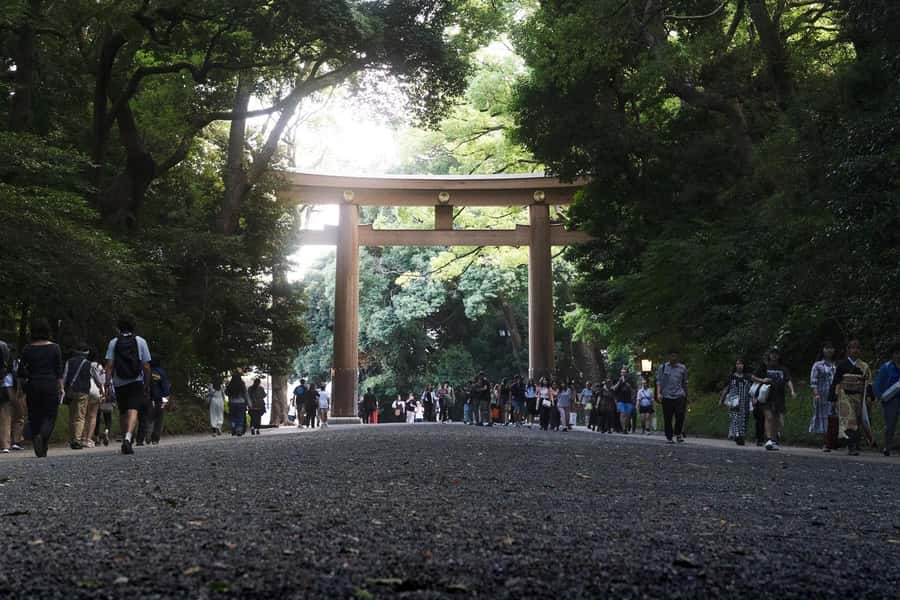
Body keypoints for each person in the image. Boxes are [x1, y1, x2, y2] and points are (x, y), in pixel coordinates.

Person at [105, 315, 152, 455]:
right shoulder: (140, 341)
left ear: (119, 328)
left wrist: (107, 383)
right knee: (134, 410)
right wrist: (147, 383)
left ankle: (125, 436)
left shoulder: (114, 342)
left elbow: (109, 365)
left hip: (119, 382)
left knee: (123, 411)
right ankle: (128, 437)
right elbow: (146, 366)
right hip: (136, 381)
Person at [16, 319, 64, 458]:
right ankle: (42, 437)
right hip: (49, 383)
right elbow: (58, 370)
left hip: (33, 384)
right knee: (50, 415)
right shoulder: (55, 348)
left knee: (34, 414)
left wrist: (20, 389)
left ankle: (39, 439)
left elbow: (21, 372)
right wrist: (61, 387)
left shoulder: (27, 349)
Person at [829, 338, 871, 456]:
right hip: (845, 396)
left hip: (859, 396)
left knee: (858, 420)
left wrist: (869, 397)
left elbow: (868, 383)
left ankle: (856, 443)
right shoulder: (842, 365)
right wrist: (834, 398)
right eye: (852, 347)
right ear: (848, 350)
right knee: (849, 421)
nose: (855, 350)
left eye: (857, 347)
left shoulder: (864, 366)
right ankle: (851, 446)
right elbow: (836, 382)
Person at [752, 347, 796, 451]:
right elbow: (753, 377)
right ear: (769, 355)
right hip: (766, 396)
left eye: (776, 354)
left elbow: (788, 380)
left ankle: (774, 439)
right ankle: (768, 439)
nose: (774, 355)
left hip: (779, 397)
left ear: (779, 356)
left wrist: (792, 391)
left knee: (776, 419)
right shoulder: (764, 367)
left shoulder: (783, 369)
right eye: (772, 353)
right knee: (769, 417)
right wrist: (763, 380)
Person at [63, 342, 101, 449]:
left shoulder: (69, 362)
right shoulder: (89, 364)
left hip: (70, 391)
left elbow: (65, 376)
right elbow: (97, 379)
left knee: (72, 415)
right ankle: (77, 439)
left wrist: (62, 389)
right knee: (80, 416)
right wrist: (101, 388)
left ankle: (71, 438)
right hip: (83, 391)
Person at [873, 340, 900, 456]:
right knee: (890, 425)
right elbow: (879, 383)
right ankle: (887, 447)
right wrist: (878, 397)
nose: (899, 355)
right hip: (890, 400)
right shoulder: (886, 367)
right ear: (892, 354)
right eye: (897, 353)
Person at [809, 342, 837, 450]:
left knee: (833, 417)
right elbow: (813, 381)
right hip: (821, 395)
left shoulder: (835, 365)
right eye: (827, 348)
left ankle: (833, 441)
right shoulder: (817, 365)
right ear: (823, 350)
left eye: (831, 348)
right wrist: (816, 394)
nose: (829, 350)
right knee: (823, 418)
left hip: (834, 394)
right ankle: (825, 442)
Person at [656, 351, 688, 444]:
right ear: (668, 356)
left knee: (680, 415)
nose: (673, 358)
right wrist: (658, 393)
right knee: (668, 417)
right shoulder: (663, 368)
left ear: (677, 357)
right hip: (666, 396)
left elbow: (685, 382)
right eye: (671, 356)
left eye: (675, 356)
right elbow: (659, 382)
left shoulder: (682, 368)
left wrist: (686, 394)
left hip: (679, 395)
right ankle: (669, 436)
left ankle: (678, 434)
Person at [720, 358, 752, 446]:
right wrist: (721, 400)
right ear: (735, 366)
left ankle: (741, 436)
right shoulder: (731, 377)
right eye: (737, 364)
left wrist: (753, 400)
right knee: (734, 418)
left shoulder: (748, 377)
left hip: (745, 402)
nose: (739, 365)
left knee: (744, 419)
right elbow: (726, 389)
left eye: (741, 364)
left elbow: (751, 390)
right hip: (734, 401)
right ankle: (737, 435)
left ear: (744, 365)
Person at [138, 358, 171, 445]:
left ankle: (147, 435)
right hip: (159, 399)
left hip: (147, 398)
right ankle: (155, 438)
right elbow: (166, 389)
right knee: (159, 419)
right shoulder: (162, 372)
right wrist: (165, 402)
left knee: (148, 418)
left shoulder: (144, 371)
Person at [0, 338, 14, 453]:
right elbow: (9, 367)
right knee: (5, 415)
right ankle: (5, 444)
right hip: (4, 384)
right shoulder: (4, 346)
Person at [225, 371, 249, 436]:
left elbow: (226, 393)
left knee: (233, 417)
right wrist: (249, 403)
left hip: (232, 402)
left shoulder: (230, 384)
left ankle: (233, 428)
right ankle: (239, 430)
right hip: (241, 402)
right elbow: (246, 394)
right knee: (240, 417)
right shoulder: (242, 384)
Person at [613, 368, 635, 433]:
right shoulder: (618, 380)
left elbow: (633, 391)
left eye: (624, 372)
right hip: (620, 400)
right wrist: (619, 382)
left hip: (628, 400)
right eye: (622, 372)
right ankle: (624, 428)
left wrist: (629, 387)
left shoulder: (630, 380)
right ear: (620, 373)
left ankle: (626, 426)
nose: (623, 373)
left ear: (627, 373)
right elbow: (614, 388)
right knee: (622, 414)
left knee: (628, 415)